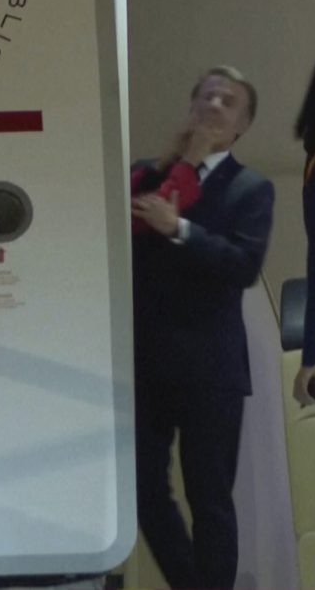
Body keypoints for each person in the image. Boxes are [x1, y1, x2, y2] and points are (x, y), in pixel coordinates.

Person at [131, 65, 275, 589]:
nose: (214, 106)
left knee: (210, 500)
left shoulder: (252, 188)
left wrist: (183, 230)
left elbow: (242, 266)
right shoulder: (146, 175)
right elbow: (131, 245)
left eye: (228, 101)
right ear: (190, 108)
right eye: (207, 97)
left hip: (210, 366)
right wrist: (182, 168)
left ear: (242, 125)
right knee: (144, 492)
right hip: (146, 359)